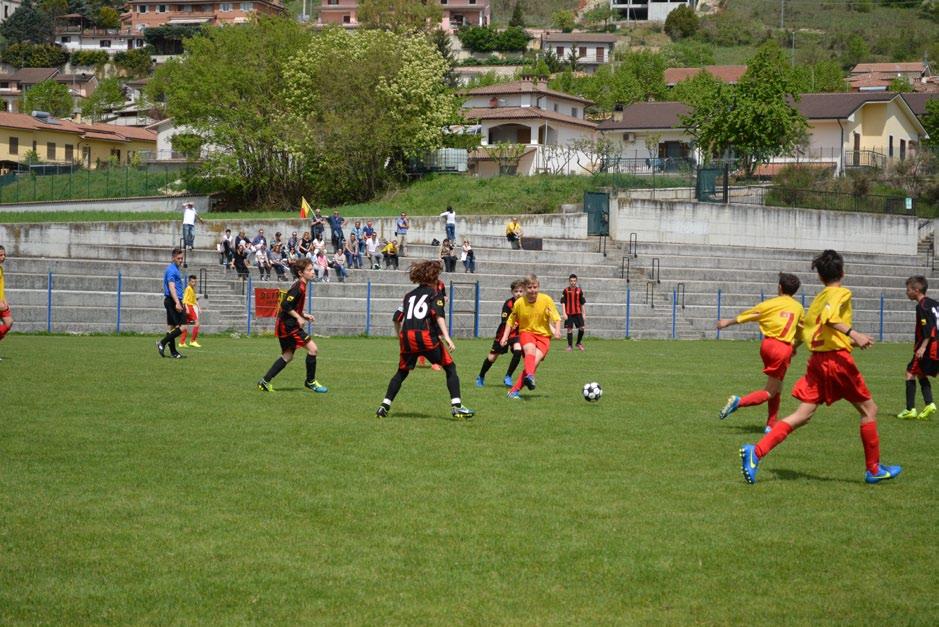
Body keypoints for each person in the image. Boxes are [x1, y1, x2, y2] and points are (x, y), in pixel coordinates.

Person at [739, 250, 901, 485]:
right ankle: (873, 469)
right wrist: (855, 334)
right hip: (836, 360)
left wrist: (795, 345)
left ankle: (756, 452)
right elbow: (831, 319)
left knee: (802, 415)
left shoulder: (817, 299)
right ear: (843, 272)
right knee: (869, 411)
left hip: (817, 360)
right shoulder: (841, 293)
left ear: (820, 277)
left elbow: (808, 327)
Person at [375, 260, 474, 419]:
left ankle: (384, 406)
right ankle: (457, 407)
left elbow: (396, 318)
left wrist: (398, 336)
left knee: (402, 372)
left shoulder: (408, 296)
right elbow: (439, 316)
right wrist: (447, 338)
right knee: (450, 367)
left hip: (407, 337)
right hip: (425, 336)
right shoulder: (435, 294)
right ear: (434, 277)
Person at [716, 273, 804, 432]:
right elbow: (802, 332)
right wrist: (795, 347)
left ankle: (770, 425)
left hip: (767, 346)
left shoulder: (770, 303)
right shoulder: (798, 308)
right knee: (769, 391)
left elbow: (752, 315)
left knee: (778, 386)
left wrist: (727, 322)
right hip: (782, 348)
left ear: (780, 287)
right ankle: (738, 402)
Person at [257, 258, 328, 393]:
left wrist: (304, 315)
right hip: (289, 326)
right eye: (309, 270)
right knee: (313, 350)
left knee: (288, 355)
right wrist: (298, 317)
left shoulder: (302, 285)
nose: (313, 272)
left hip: (286, 324)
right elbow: (285, 305)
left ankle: (264, 381)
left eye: (312, 269)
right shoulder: (298, 287)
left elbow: (292, 305)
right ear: (301, 273)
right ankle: (310, 381)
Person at [500, 274, 562, 399]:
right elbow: (510, 321)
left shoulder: (546, 300)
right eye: (529, 287)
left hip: (544, 337)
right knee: (530, 351)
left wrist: (557, 331)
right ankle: (530, 376)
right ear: (525, 288)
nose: (532, 290)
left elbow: (556, 317)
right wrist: (504, 337)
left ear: (538, 287)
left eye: (535, 287)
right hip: (527, 332)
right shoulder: (519, 303)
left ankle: (514, 391)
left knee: (532, 364)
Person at [897, 275, 939, 420]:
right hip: (936, 344)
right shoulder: (934, 303)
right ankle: (929, 404)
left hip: (930, 345)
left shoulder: (921, 306)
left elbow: (928, 328)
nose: (906, 292)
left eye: (908, 290)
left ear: (916, 290)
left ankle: (910, 409)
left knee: (910, 373)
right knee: (920, 372)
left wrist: (922, 347)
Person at [477, 279, 525, 388]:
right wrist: (505, 336)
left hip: (517, 334)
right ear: (512, 292)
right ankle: (481, 376)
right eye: (516, 291)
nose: (519, 293)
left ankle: (508, 376)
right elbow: (505, 321)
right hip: (504, 333)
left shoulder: (526, 304)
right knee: (492, 358)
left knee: (518, 350)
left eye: (521, 291)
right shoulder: (508, 303)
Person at [156, 248, 188, 359]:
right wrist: (177, 303)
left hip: (172, 300)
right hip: (173, 300)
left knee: (171, 327)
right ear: (173, 258)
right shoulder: (171, 270)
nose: (180, 260)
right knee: (183, 327)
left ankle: (174, 352)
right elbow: (171, 287)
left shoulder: (175, 269)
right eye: (178, 258)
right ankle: (162, 343)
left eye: (182, 258)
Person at [561, 273, 587, 352]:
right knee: (569, 329)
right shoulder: (566, 290)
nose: (573, 282)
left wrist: (584, 313)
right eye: (571, 281)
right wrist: (564, 313)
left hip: (578, 313)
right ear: (569, 281)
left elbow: (582, 302)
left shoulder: (579, 290)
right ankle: (570, 346)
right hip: (569, 313)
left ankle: (578, 343)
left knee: (582, 328)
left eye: (574, 281)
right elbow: (563, 302)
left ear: (576, 281)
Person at [177, 274, 202, 348]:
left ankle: (181, 343)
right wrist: (187, 308)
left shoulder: (192, 289)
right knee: (197, 323)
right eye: (192, 282)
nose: (194, 283)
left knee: (185, 326)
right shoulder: (188, 288)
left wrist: (199, 307)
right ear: (189, 282)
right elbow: (184, 299)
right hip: (189, 307)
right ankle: (193, 341)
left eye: (195, 282)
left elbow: (194, 300)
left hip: (190, 307)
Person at [0, 245, 13, 350]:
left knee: (9, 322)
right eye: (0, 255)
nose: (3, 257)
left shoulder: (0, 269)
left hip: (2, 302)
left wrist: (4, 300)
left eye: (4, 255)